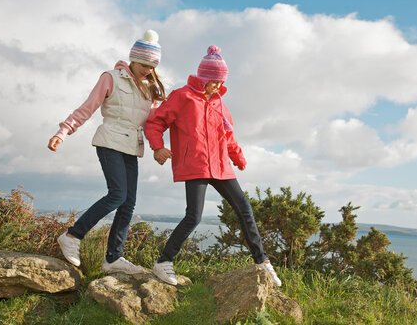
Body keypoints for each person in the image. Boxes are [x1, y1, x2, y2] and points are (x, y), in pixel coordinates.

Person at [144, 45, 282, 286]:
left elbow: (227, 136)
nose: (218, 86)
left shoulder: (220, 104)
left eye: (221, 81)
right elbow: (155, 122)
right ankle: (164, 262)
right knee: (194, 217)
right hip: (195, 163)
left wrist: (237, 157)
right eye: (214, 81)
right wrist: (157, 147)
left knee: (244, 209)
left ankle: (262, 262)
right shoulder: (182, 97)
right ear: (204, 78)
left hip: (221, 166)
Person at [48, 30, 165, 274]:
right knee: (117, 195)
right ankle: (72, 235)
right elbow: (87, 108)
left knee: (128, 203)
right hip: (109, 141)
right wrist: (63, 131)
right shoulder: (111, 78)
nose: (147, 69)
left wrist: (159, 147)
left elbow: (153, 123)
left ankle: (113, 259)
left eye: (152, 65)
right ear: (133, 59)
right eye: (144, 63)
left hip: (132, 146)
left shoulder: (151, 89)